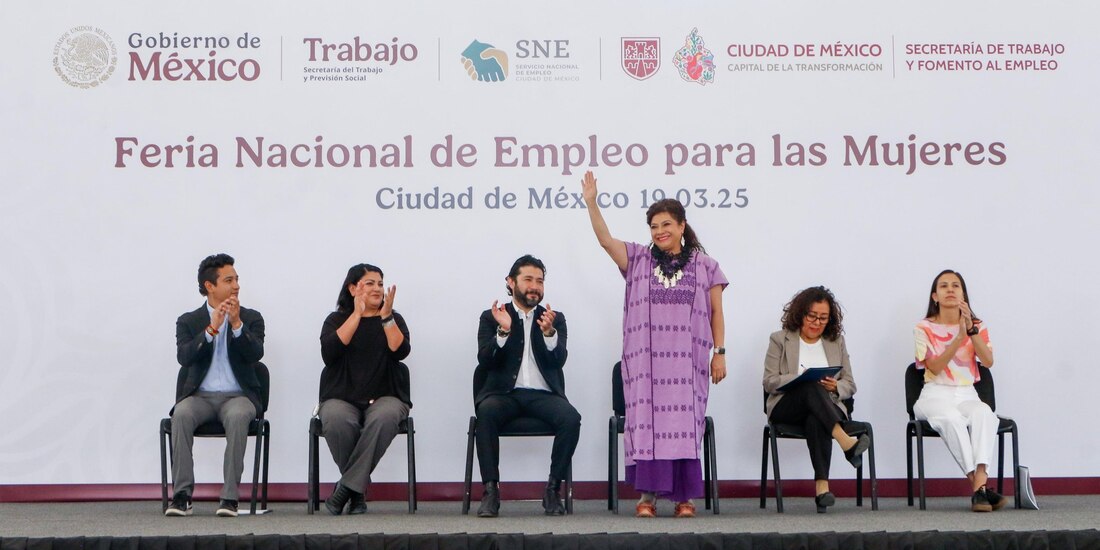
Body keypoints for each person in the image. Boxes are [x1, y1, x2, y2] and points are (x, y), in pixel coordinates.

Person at [581, 171, 727, 518]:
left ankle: (683, 499)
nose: (659, 231)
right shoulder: (638, 260)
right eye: (653, 226)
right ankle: (646, 496)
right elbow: (605, 240)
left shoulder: (706, 266)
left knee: (683, 425)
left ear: (681, 226)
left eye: (665, 224)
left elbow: (717, 313)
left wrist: (719, 353)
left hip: (688, 365)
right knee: (647, 423)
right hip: (646, 364)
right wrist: (591, 202)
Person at [474, 255, 581, 517]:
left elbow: (558, 361)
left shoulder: (554, 318)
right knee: (485, 413)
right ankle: (491, 491)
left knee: (571, 418)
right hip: (503, 395)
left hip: (543, 395)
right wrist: (503, 332)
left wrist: (549, 335)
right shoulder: (492, 317)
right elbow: (485, 360)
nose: (535, 286)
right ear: (511, 282)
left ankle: (552, 490)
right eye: (528, 279)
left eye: (540, 281)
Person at [167, 253, 265, 518]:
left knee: (238, 416)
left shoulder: (251, 318)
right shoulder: (188, 321)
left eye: (237, 279)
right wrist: (211, 330)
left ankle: (230, 498)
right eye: (229, 280)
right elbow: (184, 357)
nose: (236, 286)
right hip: (200, 397)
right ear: (210, 286)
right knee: (181, 414)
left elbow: (256, 355)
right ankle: (182, 495)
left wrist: (236, 325)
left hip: (238, 396)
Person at [762, 286, 871, 513]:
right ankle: (845, 441)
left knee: (816, 418)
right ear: (800, 314)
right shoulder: (780, 339)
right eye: (812, 316)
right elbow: (769, 381)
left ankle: (822, 489)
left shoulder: (835, 341)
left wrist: (836, 386)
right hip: (787, 406)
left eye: (823, 318)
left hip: (826, 407)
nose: (817, 322)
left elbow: (850, 383)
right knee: (810, 384)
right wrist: (799, 379)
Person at [318, 264, 412, 515]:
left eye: (380, 283)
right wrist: (357, 315)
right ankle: (356, 491)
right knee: (336, 420)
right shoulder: (336, 319)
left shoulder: (393, 318)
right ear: (352, 288)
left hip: (386, 395)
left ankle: (346, 488)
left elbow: (400, 351)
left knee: (384, 417)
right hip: (341, 396)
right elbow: (330, 353)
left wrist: (387, 317)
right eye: (369, 283)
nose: (377, 288)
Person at [913, 269, 1006, 512]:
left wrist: (971, 332)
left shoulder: (977, 326)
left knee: (985, 414)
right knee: (951, 419)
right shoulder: (923, 328)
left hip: (967, 393)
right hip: (934, 394)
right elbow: (933, 366)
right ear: (935, 296)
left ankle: (981, 484)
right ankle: (979, 489)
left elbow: (988, 361)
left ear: (963, 295)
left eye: (956, 285)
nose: (950, 289)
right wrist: (957, 338)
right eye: (944, 286)